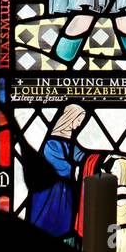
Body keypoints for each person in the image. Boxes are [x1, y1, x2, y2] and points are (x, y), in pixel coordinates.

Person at [28, 104, 87, 244]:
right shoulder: (51, 143)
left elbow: (82, 156)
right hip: (50, 193)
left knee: (64, 225)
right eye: (79, 120)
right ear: (70, 118)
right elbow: (57, 167)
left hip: (65, 193)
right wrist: (75, 166)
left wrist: (102, 159)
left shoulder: (69, 143)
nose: (79, 124)